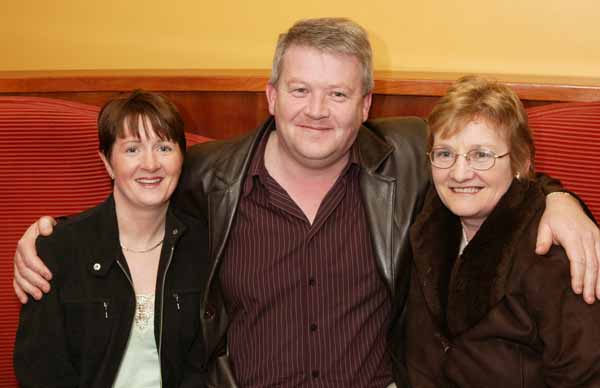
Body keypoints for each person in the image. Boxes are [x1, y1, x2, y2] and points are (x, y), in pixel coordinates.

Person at [12, 19, 600, 388]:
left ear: (366, 104)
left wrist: (559, 201)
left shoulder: (411, 162)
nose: (317, 110)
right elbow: (138, 192)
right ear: (271, 95)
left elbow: (488, 168)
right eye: (300, 90)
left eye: (338, 93)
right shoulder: (209, 178)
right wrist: (50, 240)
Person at [405, 76, 600, 387]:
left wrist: (559, 198)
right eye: (445, 153)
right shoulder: (426, 218)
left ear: (520, 162)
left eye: (481, 154)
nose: (459, 172)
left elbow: (587, 376)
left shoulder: (554, 248)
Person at [13, 91, 209, 388]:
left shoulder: (204, 246)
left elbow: (206, 365)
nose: (151, 164)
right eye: (132, 149)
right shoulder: (58, 250)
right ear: (107, 163)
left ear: (182, 158)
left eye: (164, 147)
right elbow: (40, 371)